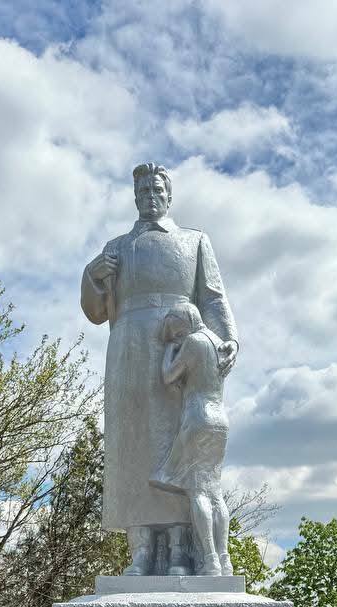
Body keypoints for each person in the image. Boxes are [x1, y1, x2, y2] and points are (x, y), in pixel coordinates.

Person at [81, 162, 238, 576]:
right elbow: (95, 312)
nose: (150, 197)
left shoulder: (194, 240)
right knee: (133, 447)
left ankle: (180, 550)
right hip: (129, 348)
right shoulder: (117, 247)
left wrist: (228, 339)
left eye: (156, 190)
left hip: (178, 346)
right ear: (135, 198)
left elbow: (213, 297)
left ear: (169, 195)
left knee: (174, 447)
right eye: (143, 192)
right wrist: (93, 276)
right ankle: (141, 550)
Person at [152, 301, 232, 575]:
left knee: (198, 491)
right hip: (220, 420)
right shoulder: (219, 342)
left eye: (177, 330)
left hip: (198, 417)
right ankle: (225, 559)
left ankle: (210, 559)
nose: (176, 335)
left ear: (185, 321)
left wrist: (169, 349)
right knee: (215, 492)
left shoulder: (193, 342)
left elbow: (168, 376)